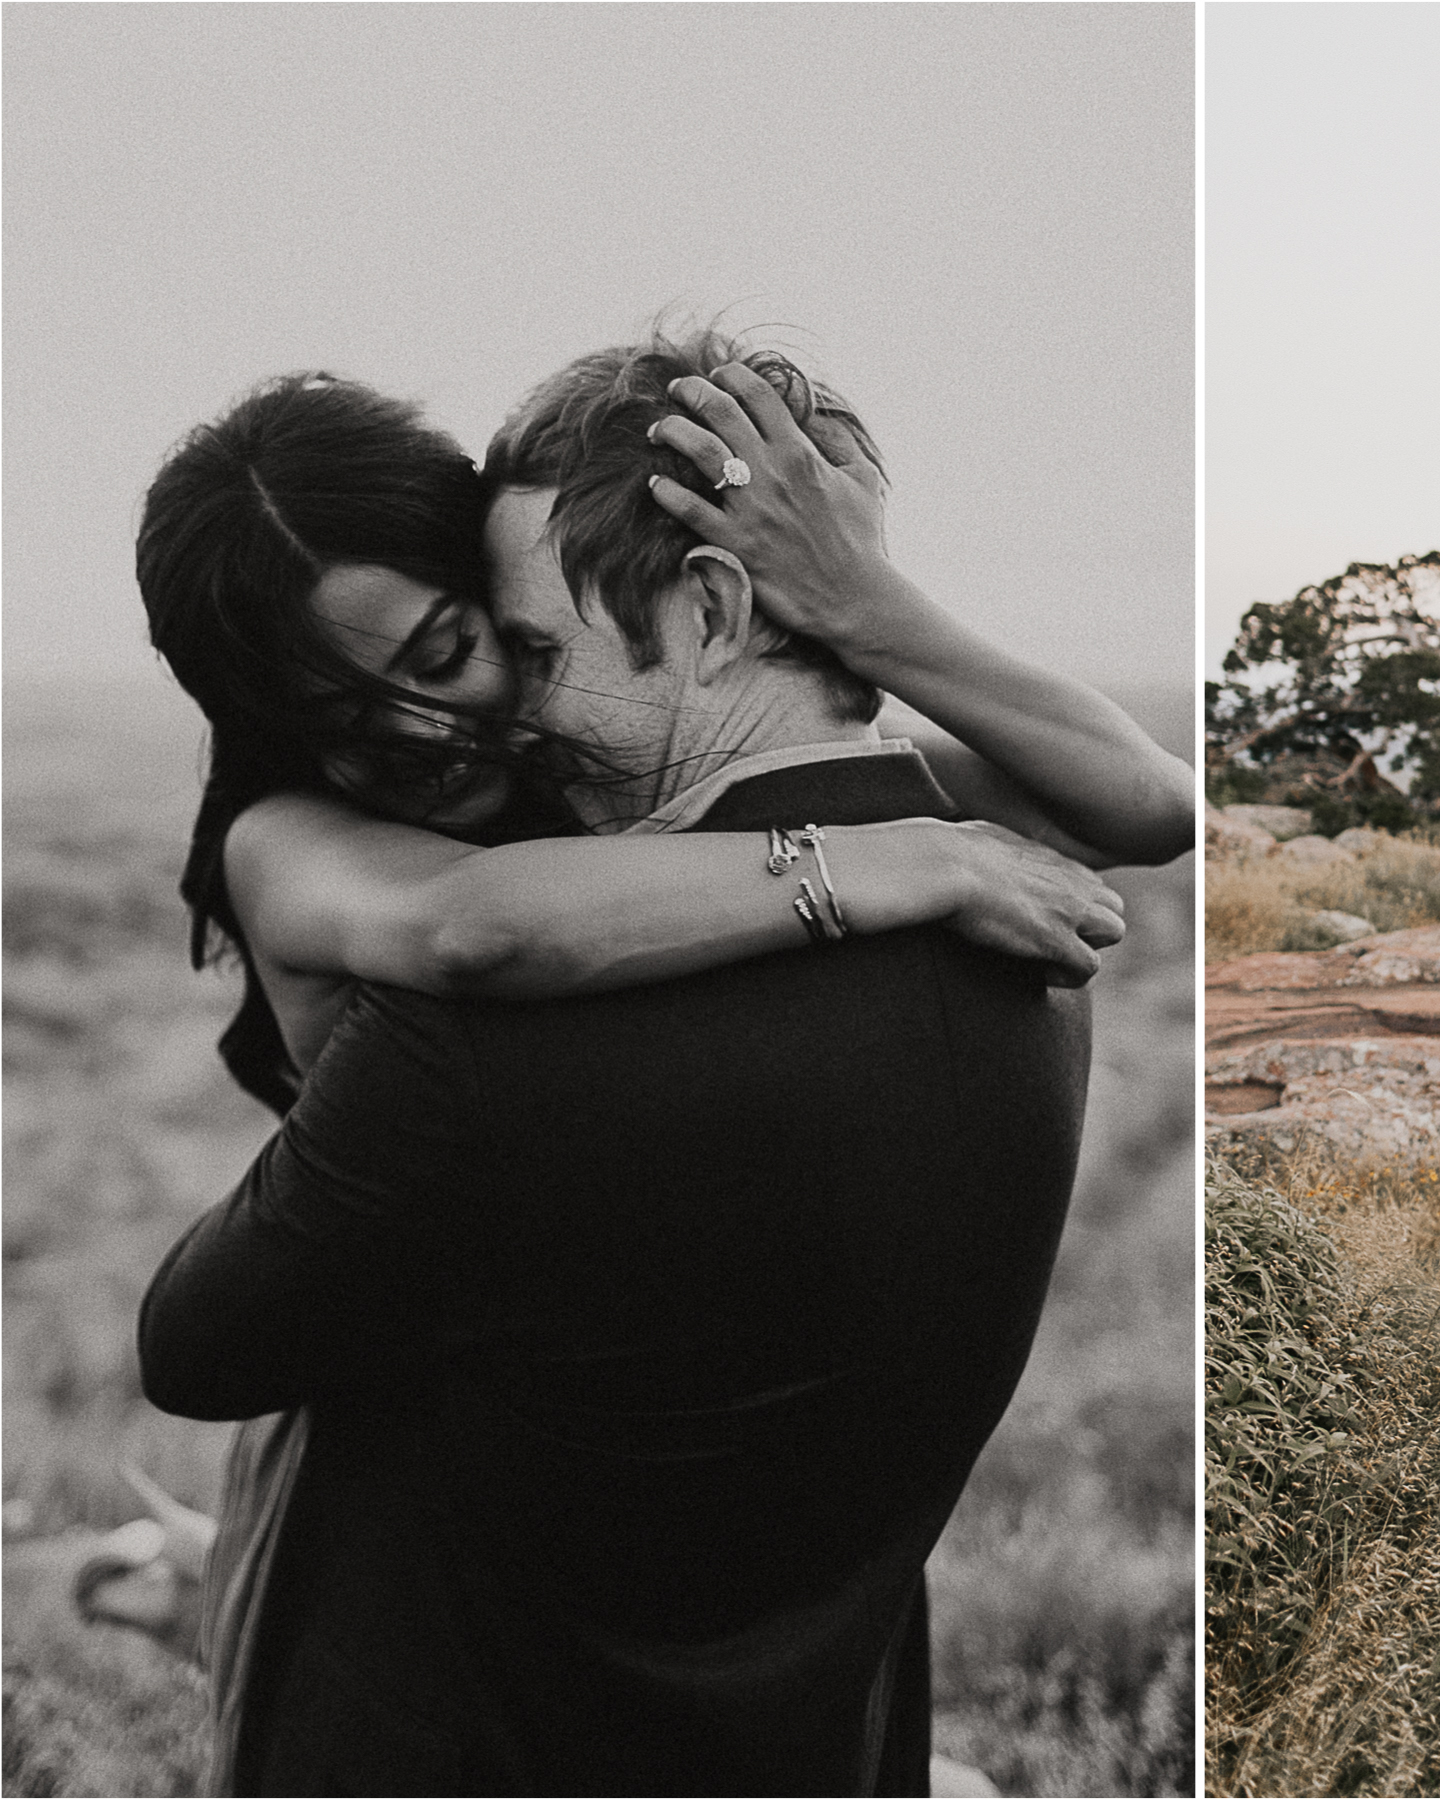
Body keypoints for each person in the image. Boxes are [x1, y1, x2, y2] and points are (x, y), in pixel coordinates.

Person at [137, 332, 1191, 1793]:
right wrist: (881, 862)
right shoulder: (307, 847)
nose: (430, 727)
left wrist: (859, 603)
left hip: (577, 1493)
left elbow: (1145, 801)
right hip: (412, 1366)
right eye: (331, 719)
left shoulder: (641, 848)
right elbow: (465, 928)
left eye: (466, 648)